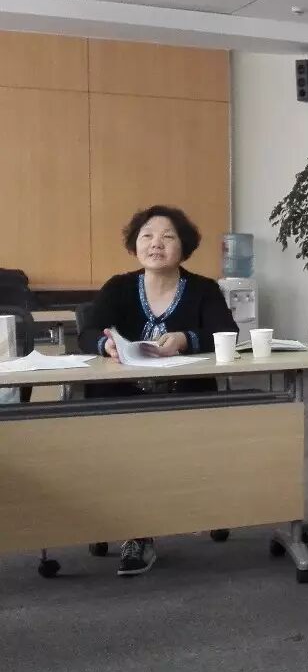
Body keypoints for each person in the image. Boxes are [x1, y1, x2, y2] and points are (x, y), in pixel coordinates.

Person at [77, 204, 239, 576]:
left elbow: (226, 333)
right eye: (147, 236)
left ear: (184, 246)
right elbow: (87, 334)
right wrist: (106, 345)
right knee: (129, 446)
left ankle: (184, 510)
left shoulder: (203, 289)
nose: (156, 244)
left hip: (185, 394)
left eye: (167, 237)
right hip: (120, 396)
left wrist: (185, 339)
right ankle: (138, 531)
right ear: (135, 245)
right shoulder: (118, 287)